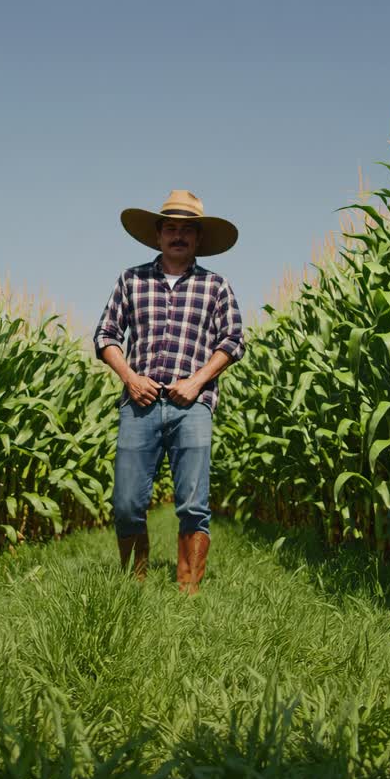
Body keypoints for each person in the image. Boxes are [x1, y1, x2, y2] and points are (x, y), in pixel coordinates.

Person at [93, 189, 245, 593]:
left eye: (187, 231)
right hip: (139, 404)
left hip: (192, 406)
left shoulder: (216, 286)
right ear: (158, 235)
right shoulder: (132, 280)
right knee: (125, 503)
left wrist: (197, 381)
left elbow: (233, 341)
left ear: (198, 239)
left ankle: (188, 593)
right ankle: (134, 584)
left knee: (193, 505)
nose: (178, 236)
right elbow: (105, 335)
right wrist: (130, 377)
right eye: (171, 229)